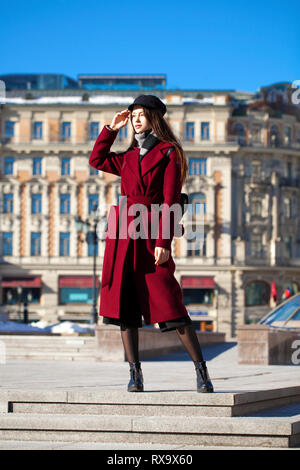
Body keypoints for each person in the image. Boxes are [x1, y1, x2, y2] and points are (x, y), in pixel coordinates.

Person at [89, 95, 213, 393]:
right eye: (133, 115)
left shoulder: (170, 152)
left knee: (169, 303)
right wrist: (111, 128)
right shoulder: (128, 156)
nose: (136, 119)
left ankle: (201, 372)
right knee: (124, 307)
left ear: (155, 117)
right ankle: (135, 374)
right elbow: (96, 159)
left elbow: (171, 199)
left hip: (153, 230)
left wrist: (164, 242)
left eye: (142, 114)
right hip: (122, 234)